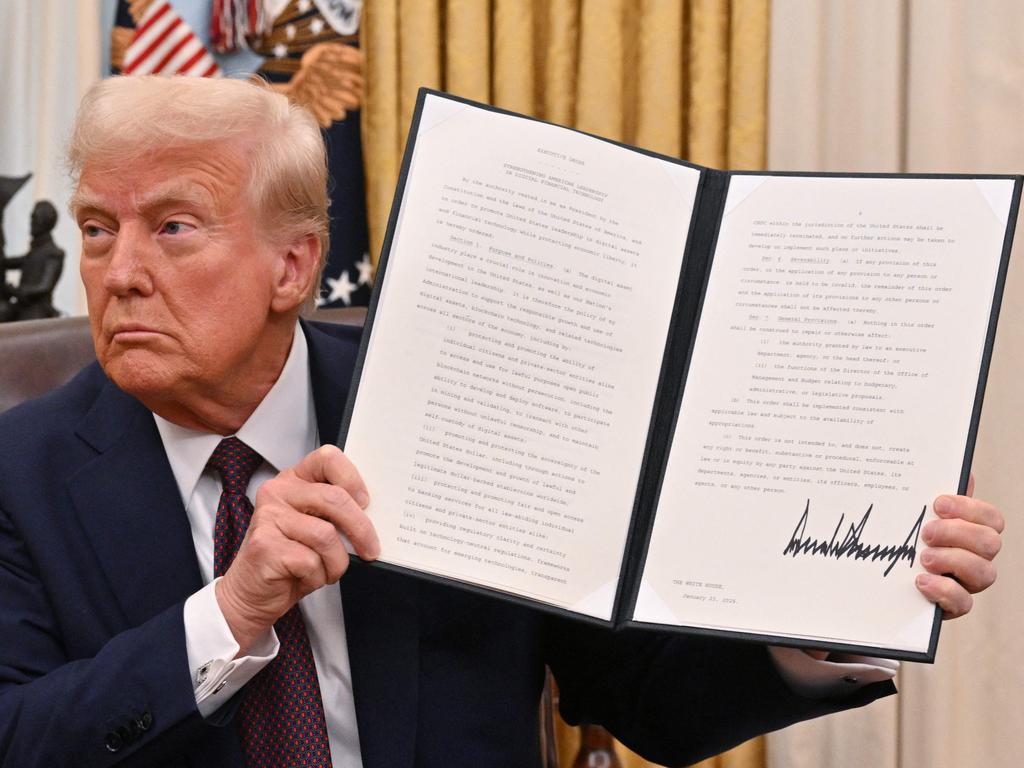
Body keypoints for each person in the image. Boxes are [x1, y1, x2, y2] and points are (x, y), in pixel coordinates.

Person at [0, 76, 1003, 768]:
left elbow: (640, 694)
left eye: (172, 227)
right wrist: (231, 612)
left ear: (294, 266)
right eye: (97, 228)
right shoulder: (22, 472)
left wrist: (840, 604)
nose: (118, 271)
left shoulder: (460, 406)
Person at [0, 200, 65, 321]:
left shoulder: (53, 253)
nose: (31, 222)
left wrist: (15, 291)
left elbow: (44, 286)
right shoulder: (35, 251)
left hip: (36, 310)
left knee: (28, 334)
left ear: (44, 222)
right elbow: (11, 262)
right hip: (21, 306)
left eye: (34, 218)